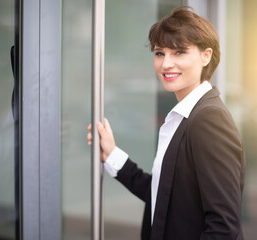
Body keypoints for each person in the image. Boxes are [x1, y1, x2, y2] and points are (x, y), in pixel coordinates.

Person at [87, 6, 245, 240]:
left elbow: (223, 228)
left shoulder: (208, 118)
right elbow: (165, 194)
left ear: (206, 55)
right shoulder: (185, 115)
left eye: (179, 52)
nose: (166, 64)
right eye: (160, 53)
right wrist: (112, 156)